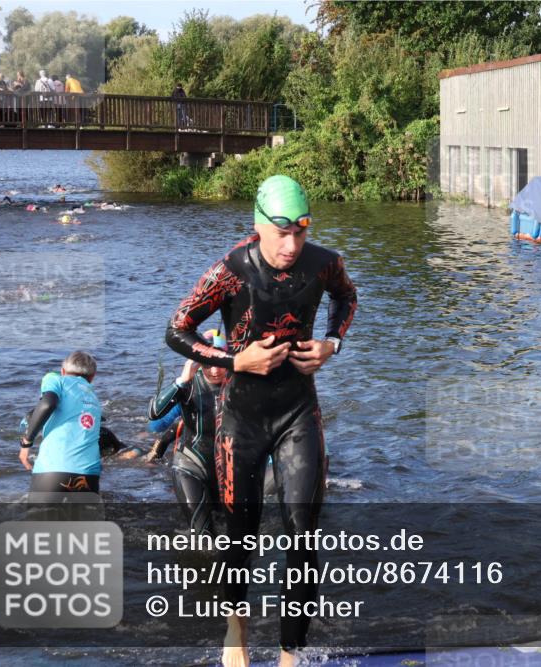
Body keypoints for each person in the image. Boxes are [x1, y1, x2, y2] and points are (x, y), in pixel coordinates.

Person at [165, 175, 357, 667]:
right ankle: (237, 631)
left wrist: (333, 343)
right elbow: (177, 328)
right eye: (281, 233)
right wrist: (234, 361)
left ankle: (290, 655)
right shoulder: (231, 270)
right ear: (257, 226)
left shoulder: (324, 263)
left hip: (297, 410)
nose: (291, 245)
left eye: (301, 232)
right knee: (240, 534)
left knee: (302, 530)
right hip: (242, 417)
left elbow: (347, 298)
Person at [149, 329, 227, 537]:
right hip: (190, 466)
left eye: (220, 362)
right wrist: (182, 379)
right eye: (208, 363)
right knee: (205, 538)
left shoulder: (240, 385)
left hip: (228, 472)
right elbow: (154, 413)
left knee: (237, 536)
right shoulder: (189, 385)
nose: (214, 370)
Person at [19, 351, 103, 496]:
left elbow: (47, 404)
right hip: (89, 475)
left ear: (63, 371)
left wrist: (26, 443)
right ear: (92, 377)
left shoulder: (55, 379)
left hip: (52, 471)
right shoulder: (93, 397)